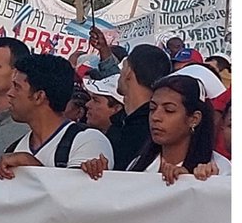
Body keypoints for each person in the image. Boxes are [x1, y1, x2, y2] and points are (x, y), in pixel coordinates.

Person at [85, 75, 230, 183]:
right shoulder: (137, 163)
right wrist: (103, 178)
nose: (156, 117)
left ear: (194, 119)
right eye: (152, 108)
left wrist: (200, 183)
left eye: (169, 110)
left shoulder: (220, 170)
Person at [0, 55, 112, 178]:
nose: (10, 93)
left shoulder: (88, 140)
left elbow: (78, 189)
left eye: (17, 87)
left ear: (39, 96)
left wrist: (32, 165)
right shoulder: (15, 148)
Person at [108, 44, 171, 170]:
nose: (120, 72)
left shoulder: (152, 130)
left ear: (128, 72)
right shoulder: (121, 123)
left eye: (123, 67)